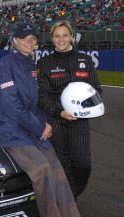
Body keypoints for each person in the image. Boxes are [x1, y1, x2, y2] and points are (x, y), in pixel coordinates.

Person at [0, 23, 80, 217]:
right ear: (15, 41)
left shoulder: (31, 65)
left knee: (58, 171)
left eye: (33, 38)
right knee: (42, 169)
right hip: (11, 131)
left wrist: (45, 124)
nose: (29, 41)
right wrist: (39, 127)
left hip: (32, 130)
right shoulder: (6, 64)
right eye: (24, 37)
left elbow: (35, 102)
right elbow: (11, 105)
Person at [37, 20, 102, 198]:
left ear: (72, 37)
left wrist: (87, 108)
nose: (61, 39)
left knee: (83, 165)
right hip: (56, 120)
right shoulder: (44, 63)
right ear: (52, 38)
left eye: (65, 35)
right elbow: (42, 96)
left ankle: (71, 195)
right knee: (63, 164)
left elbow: (96, 91)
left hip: (80, 121)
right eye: (57, 36)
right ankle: (69, 202)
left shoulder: (85, 60)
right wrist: (59, 112)